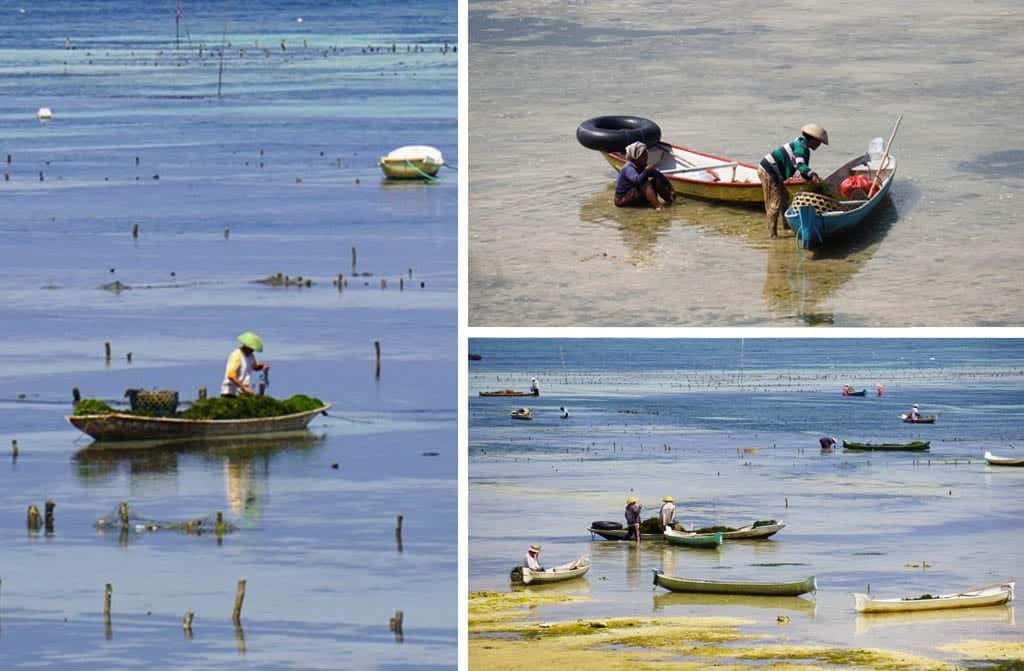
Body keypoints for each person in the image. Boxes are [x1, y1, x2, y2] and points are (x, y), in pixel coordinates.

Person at [758, 123, 829, 238]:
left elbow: (802, 170)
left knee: (785, 197)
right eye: (820, 142)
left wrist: (810, 178)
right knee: (775, 202)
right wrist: (812, 175)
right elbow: (800, 164)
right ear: (814, 140)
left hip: (774, 171)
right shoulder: (801, 147)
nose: (820, 144)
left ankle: (787, 226)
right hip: (769, 170)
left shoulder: (803, 146)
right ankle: (773, 235)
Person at [614, 141, 674, 210]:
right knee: (645, 183)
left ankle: (669, 201)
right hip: (623, 200)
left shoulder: (642, 165)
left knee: (657, 179)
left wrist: (670, 188)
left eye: (646, 154)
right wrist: (646, 171)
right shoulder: (628, 168)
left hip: (636, 196)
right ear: (635, 156)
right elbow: (637, 181)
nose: (646, 157)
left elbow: (658, 175)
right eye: (643, 155)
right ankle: (659, 207)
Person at [221, 331, 270, 397]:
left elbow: (254, 366)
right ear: (246, 345)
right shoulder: (237, 354)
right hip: (230, 392)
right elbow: (231, 376)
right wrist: (243, 387)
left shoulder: (251, 356)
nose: (252, 350)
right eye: (251, 348)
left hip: (242, 391)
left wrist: (263, 366)